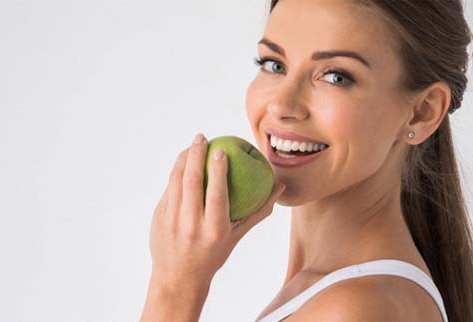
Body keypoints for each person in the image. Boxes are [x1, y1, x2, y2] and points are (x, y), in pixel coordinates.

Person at [139, 1, 473, 321]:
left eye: (335, 77)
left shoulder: (357, 309)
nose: (282, 106)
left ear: (422, 112)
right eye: (274, 64)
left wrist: (174, 288)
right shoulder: (343, 292)